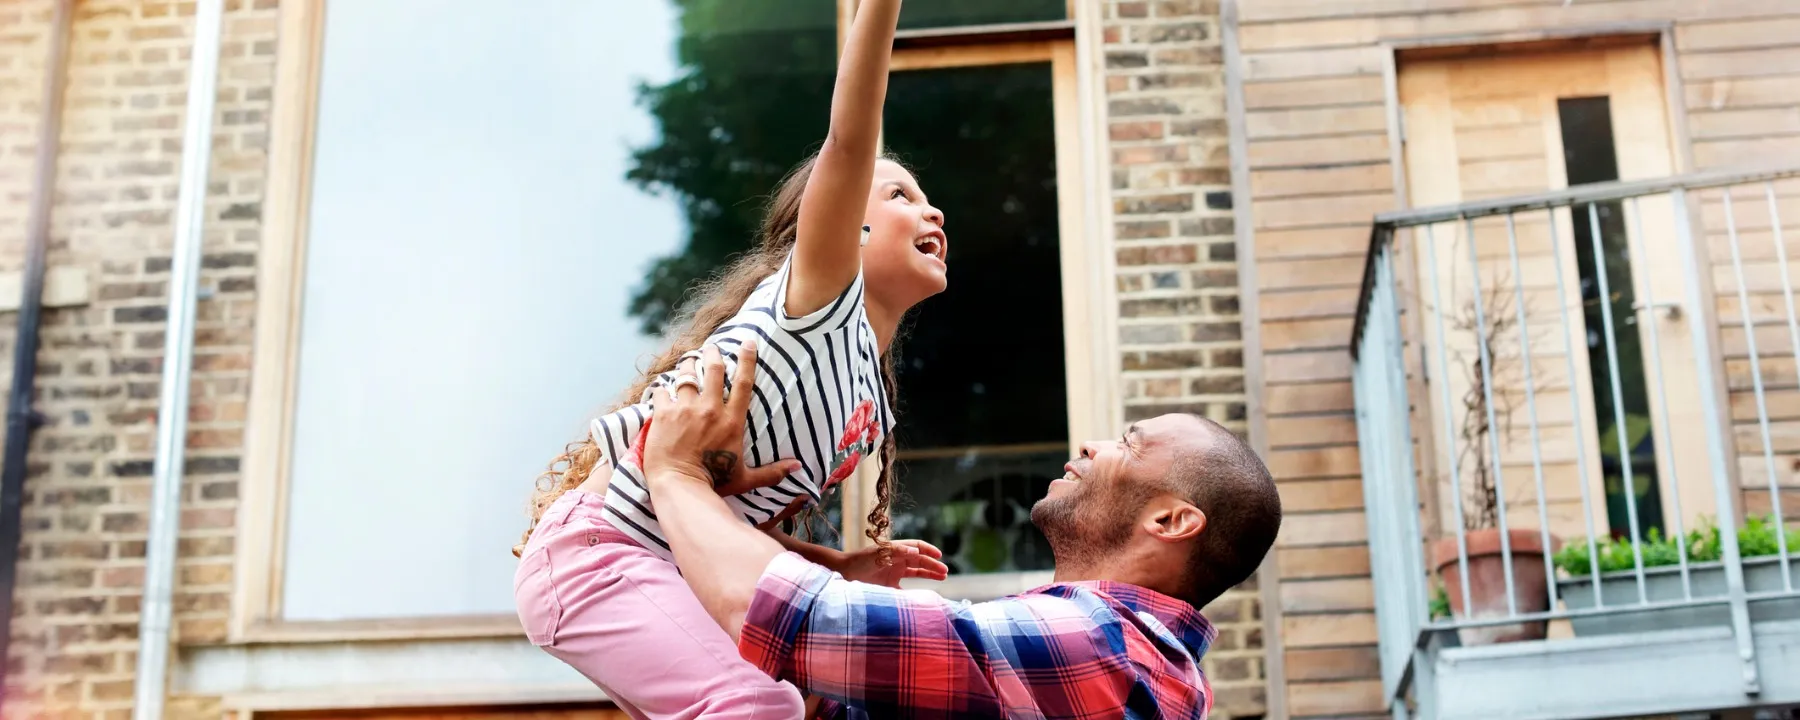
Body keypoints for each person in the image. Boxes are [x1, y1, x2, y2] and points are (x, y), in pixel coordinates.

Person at [511, 1, 951, 716]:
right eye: (900, 193)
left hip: (665, 570)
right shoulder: (816, 303)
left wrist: (834, 565)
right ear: (847, 222)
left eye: (929, 200)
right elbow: (848, 142)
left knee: (797, 703)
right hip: (596, 557)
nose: (933, 212)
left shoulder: (866, 401)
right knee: (759, 703)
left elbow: (739, 516)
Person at [637, 343, 1284, 719]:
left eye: (1128, 443)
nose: (1090, 445)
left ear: (1170, 520)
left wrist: (672, 474)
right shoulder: (1139, 671)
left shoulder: (1105, 648)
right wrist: (785, 548)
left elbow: (790, 619)